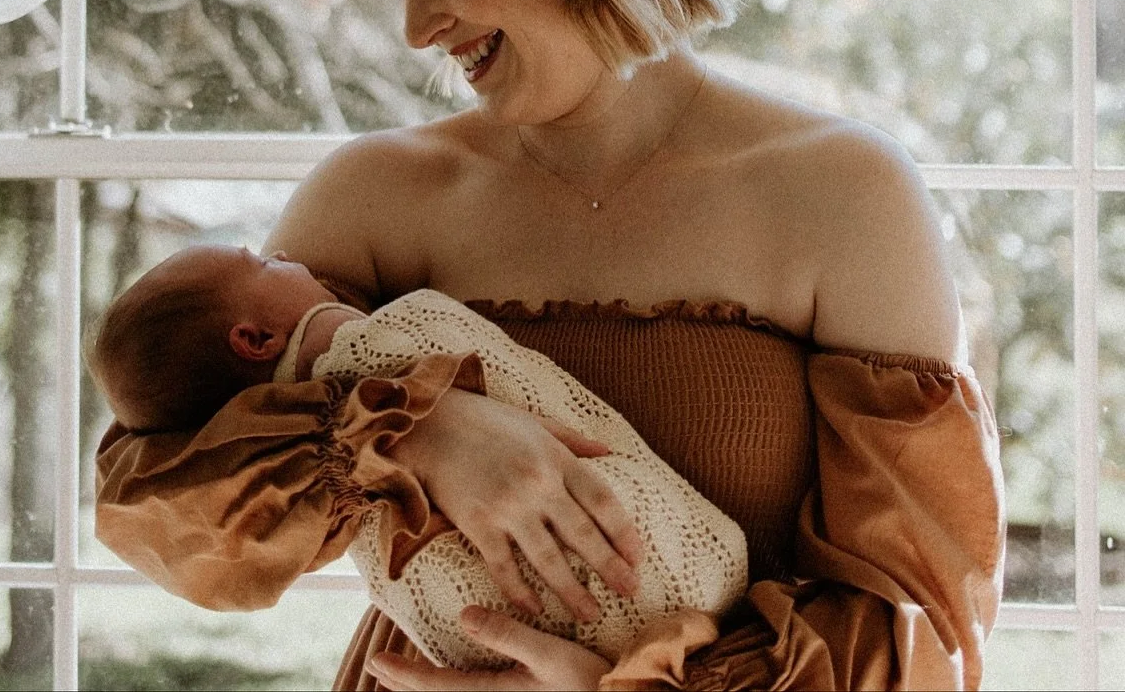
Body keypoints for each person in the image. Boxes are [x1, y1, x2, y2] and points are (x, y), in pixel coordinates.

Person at [96, 0, 1005, 691]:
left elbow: (917, 631)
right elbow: (168, 508)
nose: (415, 29)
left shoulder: (843, 193)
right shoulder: (371, 197)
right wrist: (416, 430)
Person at [88, 243, 748, 670]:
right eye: (261, 262)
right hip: (667, 603)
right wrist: (405, 426)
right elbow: (156, 481)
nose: (284, 252)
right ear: (255, 339)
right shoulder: (336, 316)